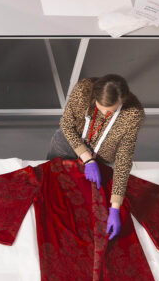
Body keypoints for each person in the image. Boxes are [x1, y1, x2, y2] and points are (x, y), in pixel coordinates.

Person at [47, 74, 144, 239]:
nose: (105, 112)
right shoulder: (83, 91)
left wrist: (115, 207)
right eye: (101, 107)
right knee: (53, 190)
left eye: (110, 110)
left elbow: (124, 159)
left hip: (101, 159)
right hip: (68, 144)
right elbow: (66, 125)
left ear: (123, 101)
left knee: (85, 205)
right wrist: (87, 158)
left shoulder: (133, 115)